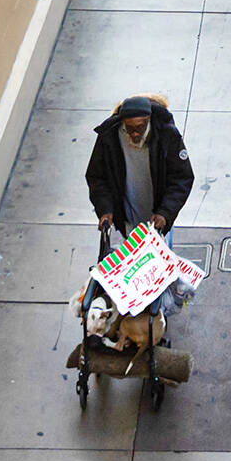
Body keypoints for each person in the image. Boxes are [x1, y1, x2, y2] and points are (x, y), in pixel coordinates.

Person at [85, 94, 195, 315]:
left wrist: (165, 212)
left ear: (149, 121)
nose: (134, 133)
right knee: (136, 266)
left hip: (159, 219)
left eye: (140, 127)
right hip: (128, 214)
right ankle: (140, 306)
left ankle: (158, 314)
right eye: (129, 129)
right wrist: (105, 209)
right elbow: (97, 177)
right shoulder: (109, 137)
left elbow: (182, 177)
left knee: (159, 265)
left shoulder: (167, 135)